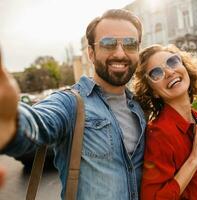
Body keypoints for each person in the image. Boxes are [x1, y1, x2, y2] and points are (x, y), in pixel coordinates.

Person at [0, 9, 146, 200]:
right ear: (91, 53)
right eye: (108, 44)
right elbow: (39, 122)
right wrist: (9, 120)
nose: (120, 53)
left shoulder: (141, 107)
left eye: (130, 44)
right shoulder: (71, 103)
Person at [133, 44, 197, 199]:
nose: (169, 71)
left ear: (185, 67)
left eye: (172, 62)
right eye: (156, 73)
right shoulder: (159, 134)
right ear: (153, 91)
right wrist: (194, 158)